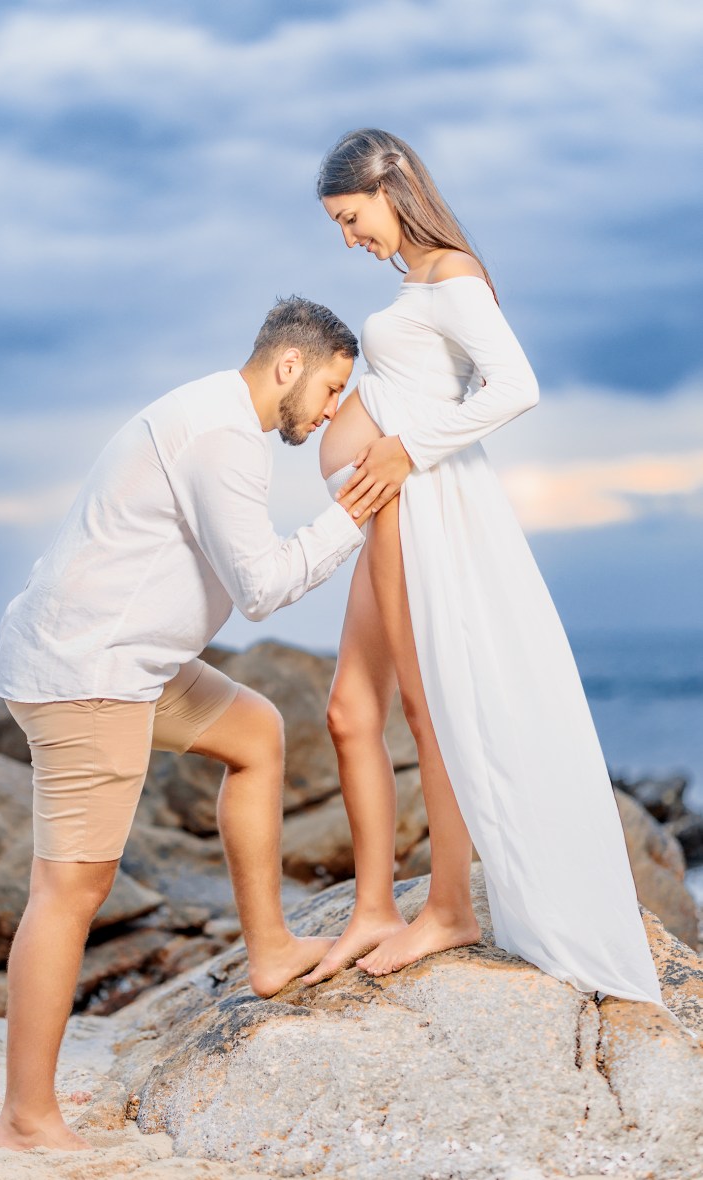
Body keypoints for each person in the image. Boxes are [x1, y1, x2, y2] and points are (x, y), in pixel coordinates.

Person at [0, 295, 370, 1152]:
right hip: (89, 671)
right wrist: (351, 514)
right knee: (71, 891)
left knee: (256, 732)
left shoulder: (214, 418)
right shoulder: (222, 437)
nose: (331, 409)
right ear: (288, 366)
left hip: (133, 660)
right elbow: (263, 588)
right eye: (332, 388)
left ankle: (268, 949)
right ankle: (24, 1117)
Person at [301, 128, 666, 1011]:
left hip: (422, 503)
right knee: (352, 710)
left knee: (430, 708)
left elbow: (514, 386)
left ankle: (451, 908)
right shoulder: (413, 286)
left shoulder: (450, 275)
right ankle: (376, 908)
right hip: (388, 505)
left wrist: (404, 448)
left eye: (351, 219)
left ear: (389, 186)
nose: (349, 239)